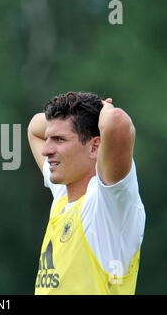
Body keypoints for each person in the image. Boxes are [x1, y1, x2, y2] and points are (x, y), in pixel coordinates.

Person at [27, 92, 145, 295]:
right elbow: (33, 128)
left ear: (94, 147)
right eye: (48, 139)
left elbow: (118, 123)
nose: (46, 150)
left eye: (59, 139)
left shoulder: (107, 206)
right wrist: (75, 112)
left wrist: (103, 108)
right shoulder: (64, 196)